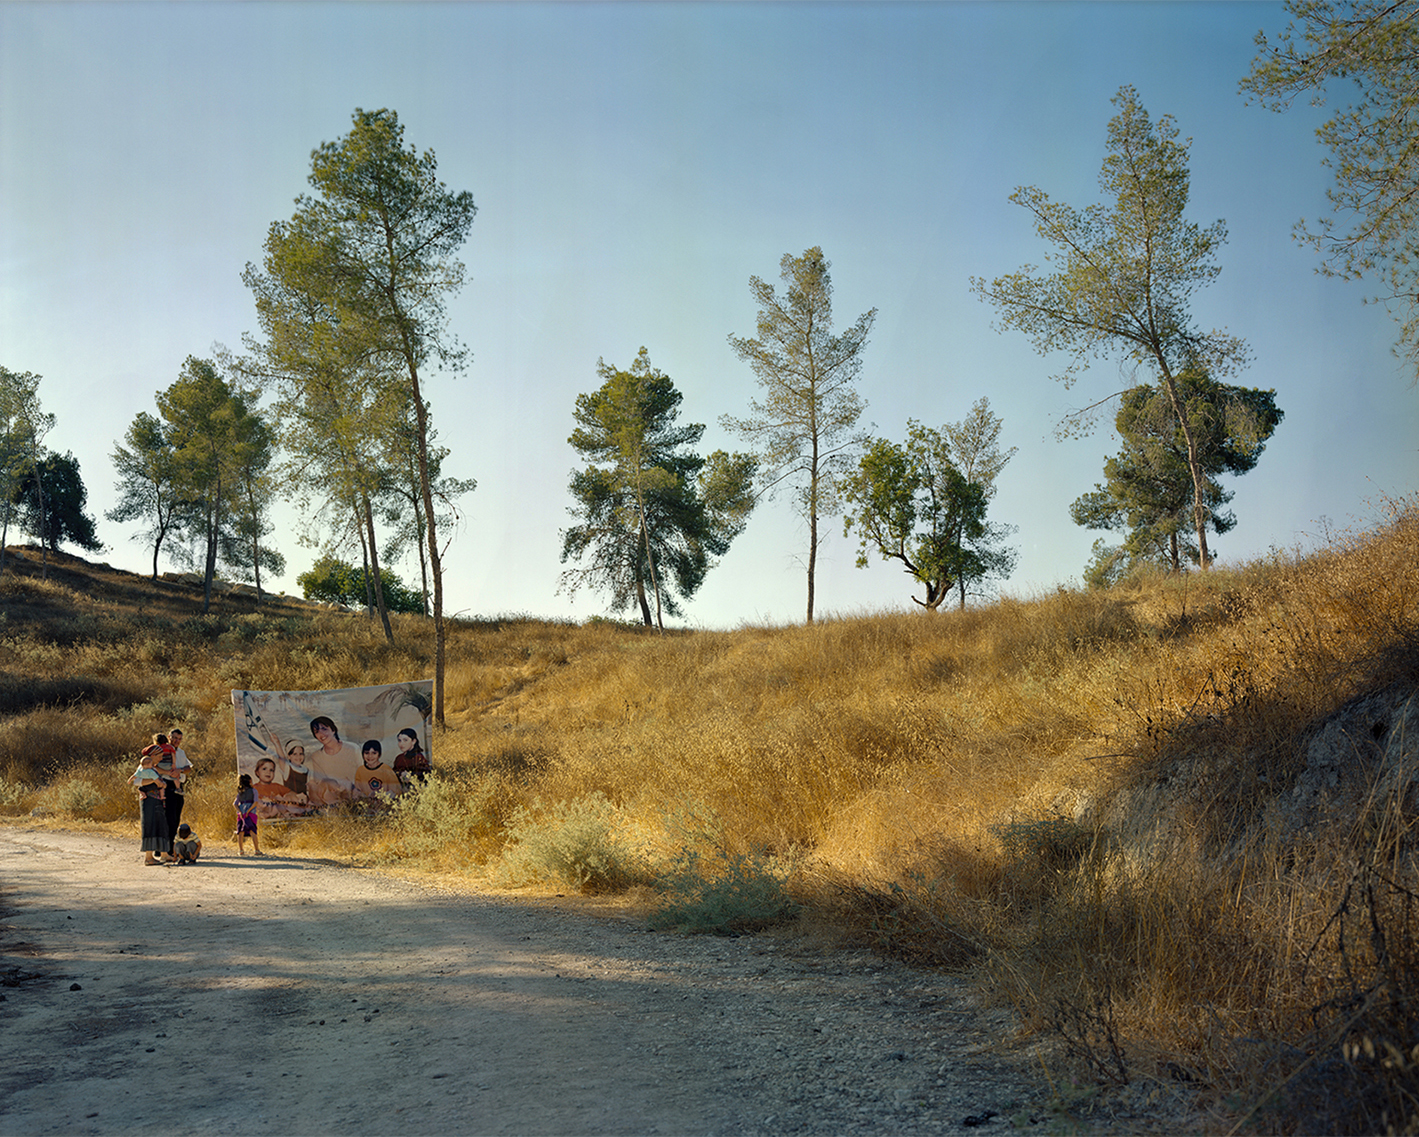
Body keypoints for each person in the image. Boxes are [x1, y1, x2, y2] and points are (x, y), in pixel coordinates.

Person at [129, 745, 171, 866]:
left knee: (160, 824)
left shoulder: (153, 768)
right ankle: (148, 857)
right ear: (152, 756)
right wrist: (155, 781)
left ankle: (164, 854)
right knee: (150, 825)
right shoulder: (143, 768)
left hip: (156, 800)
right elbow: (137, 782)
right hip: (149, 801)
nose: (161, 758)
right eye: (159, 756)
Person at [305, 715, 362, 805]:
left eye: (324, 729)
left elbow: (362, 774)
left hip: (354, 793)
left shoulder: (353, 748)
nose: (321, 734)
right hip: (332, 795)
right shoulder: (316, 756)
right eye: (316, 731)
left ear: (333, 730)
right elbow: (321, 782)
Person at [160, 726, 193, 839]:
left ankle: (172, 847)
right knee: (168, 817)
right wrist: (169, 772)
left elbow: (189, 767)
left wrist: (180, 770)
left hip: (179, 786)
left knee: (176, 817)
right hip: (167, 785)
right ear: (169, 737)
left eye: (179, 739)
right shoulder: (162, 750)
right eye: (174, 738)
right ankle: (165, 848)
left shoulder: (181, 752)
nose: (176, 741)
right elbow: (153, 766)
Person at [234, 773, 261, 856]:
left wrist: (240, 812)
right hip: (251, 813)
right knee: (252, 830)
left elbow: (235, 804)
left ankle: (241, 850)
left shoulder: (240, 793)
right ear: (249, 781)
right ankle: (256, 850)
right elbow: (255, 802)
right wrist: (249, 811)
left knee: (240, 831)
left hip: (241, 814)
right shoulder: (254, 791)